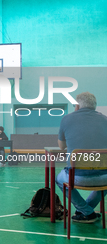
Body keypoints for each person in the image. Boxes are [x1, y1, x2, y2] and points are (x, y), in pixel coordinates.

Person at [56, 92, 107, 223]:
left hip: (76, 177)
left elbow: (61, 147)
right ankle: (86, 210)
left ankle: (86, 211)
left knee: (59, 179)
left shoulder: (66, 119)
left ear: (77, 105)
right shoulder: (105, 120)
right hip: (104, 177)